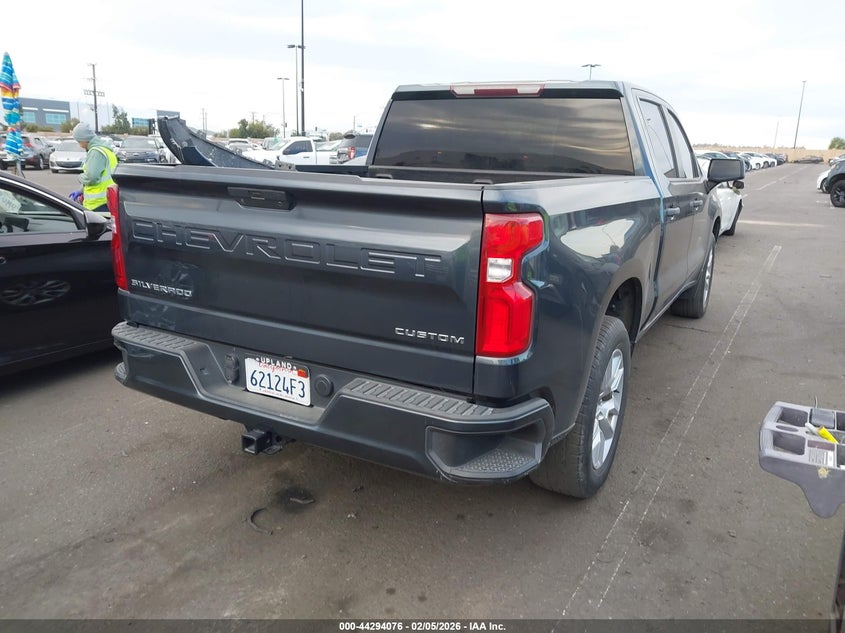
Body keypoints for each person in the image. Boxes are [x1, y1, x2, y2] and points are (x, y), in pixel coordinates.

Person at [69, 122, 118, 215]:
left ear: (84, 139)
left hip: (98, 204)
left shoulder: (96, 152)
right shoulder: (105, 150)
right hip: (107, 200)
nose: (79, 144)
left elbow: (91, 177)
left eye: (78, 141)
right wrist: (80, 191)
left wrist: (79, 177)